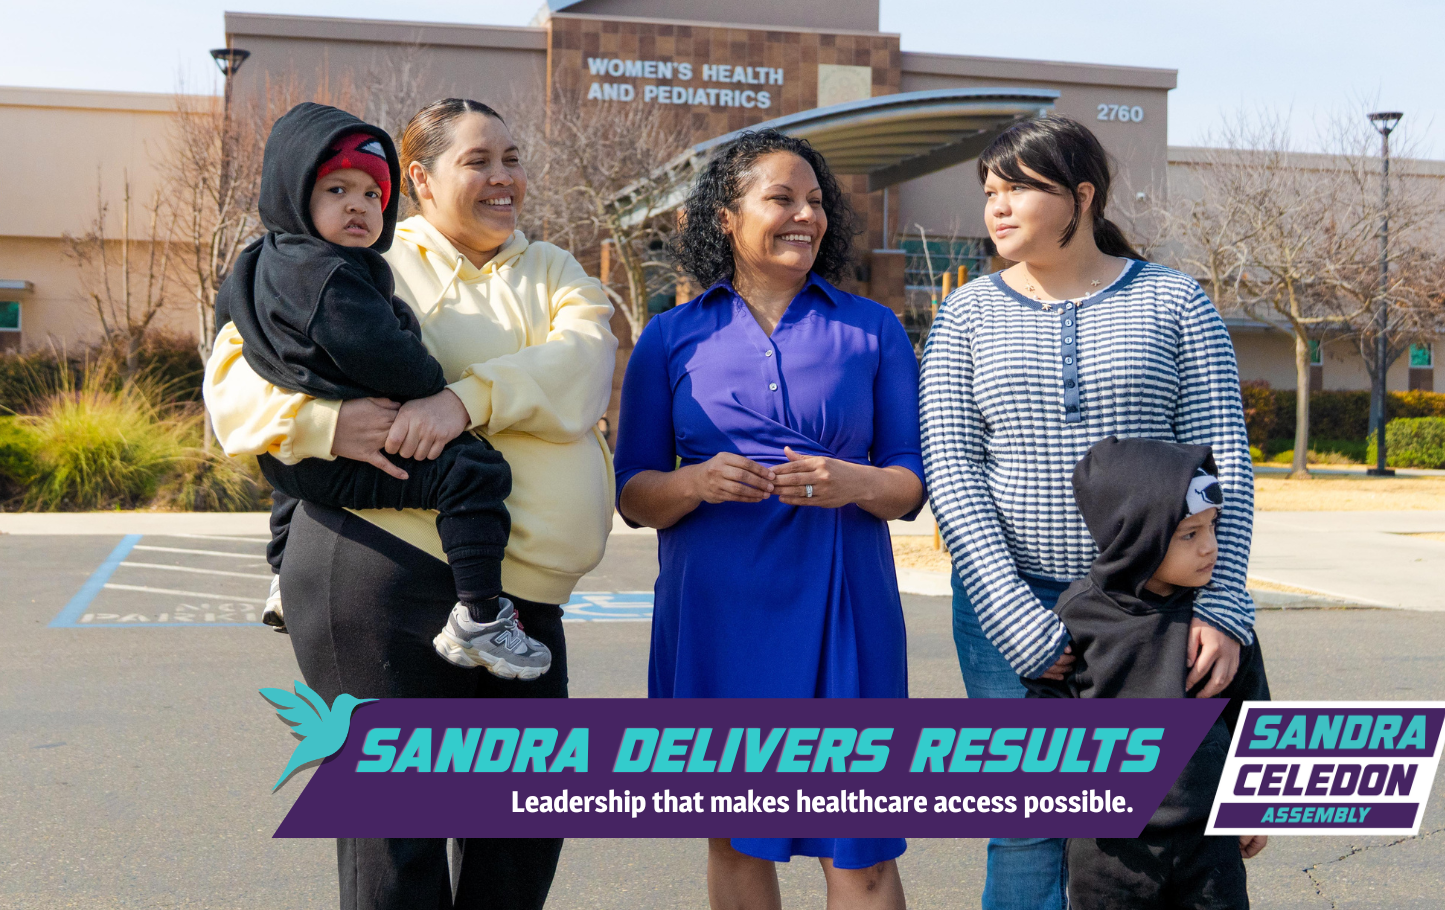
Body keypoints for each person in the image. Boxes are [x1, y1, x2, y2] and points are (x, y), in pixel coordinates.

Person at [204, 97, 616, 910]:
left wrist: (465, 399)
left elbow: (583, 367)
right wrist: (327, 423)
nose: (504, 178)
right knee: (402, 840)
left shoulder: (555, 271)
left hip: (520, 599)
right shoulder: (353, 259)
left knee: (523, 831)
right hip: (384, 573)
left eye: (512, 157)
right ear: (419, 179)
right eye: (479, 161)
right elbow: (232, 391)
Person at [918, 116, 1257, 910]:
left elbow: (1224, 460)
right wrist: (1014, 618)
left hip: (1156, 609)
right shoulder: (966, 316)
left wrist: (1224, 603)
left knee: (1159, 822)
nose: (997, 209)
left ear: (1081, 196)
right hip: (1016, 601)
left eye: (1019, 190)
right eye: (989, 192)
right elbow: (954, 469)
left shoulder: (1173, 301)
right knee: (1029, 821)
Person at [614, 128, 925, 910]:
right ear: (726, 215)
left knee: (860, 850)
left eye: (816, 201)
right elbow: (633, 496)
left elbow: (910, 487)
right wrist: (694, 484)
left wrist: (855, 480)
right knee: (734, 838)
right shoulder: (668, 336)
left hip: (843, 604)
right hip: (717, 612)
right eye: (781, 198)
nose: (805, 216)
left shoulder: (874, 329)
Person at [219, 101, 547, 678]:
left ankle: (280, 577)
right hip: (347, 455)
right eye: (337, 190)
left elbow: (240, 331)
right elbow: (377, 350)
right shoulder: (329, 275)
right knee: (473, 473)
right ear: (294, 193)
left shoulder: (260, 261)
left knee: (293, 489)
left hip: (295, 461)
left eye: (372, 195)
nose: (358, 206)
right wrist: (432, 390)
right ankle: (481, 615)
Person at [1025, 437, 1269, 910]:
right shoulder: (1080, 616)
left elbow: (1252, 710)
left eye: (1212, 528)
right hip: (1110, 852)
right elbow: (1047, 715)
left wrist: (1253, 806)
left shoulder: (1217, 621)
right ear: (1138, 533)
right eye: (1189, 535)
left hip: (1208, 842)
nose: (1211, 548)